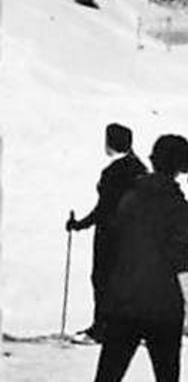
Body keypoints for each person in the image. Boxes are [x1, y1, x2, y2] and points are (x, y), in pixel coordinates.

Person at [72, 134, 188, 382]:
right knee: (167, 365)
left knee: (111, 364)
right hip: (162, 303)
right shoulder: (179, 206)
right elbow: (181, 262)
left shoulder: (129, 197)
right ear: (182, 167)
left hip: (124, 298)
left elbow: (112, 245)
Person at [67, 123, 147, 343]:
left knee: (102, 280)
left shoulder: (112, 172)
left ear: (110, 144)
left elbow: (103, 209)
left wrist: (79, 224)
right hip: (133, 236)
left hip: (110, 235)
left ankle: (101, 329)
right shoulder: (139, 167)